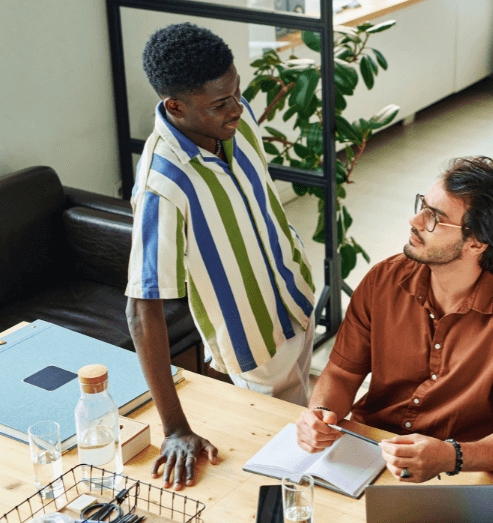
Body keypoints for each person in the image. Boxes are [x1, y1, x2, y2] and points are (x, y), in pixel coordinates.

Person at [125, 23, 316, 490]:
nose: (237, 108)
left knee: (314, 421)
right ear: (176, 107)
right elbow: (141, 309)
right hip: (255, 343)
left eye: (236, 92)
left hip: (297, 295)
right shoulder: (162, 187)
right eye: (220, 103)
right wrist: (174, 427)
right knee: (295, 469)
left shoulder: (233, 113)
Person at [296, 156, 493, 482]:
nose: (415, 220)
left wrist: (450, 456)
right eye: (423, 206)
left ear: (475, 242)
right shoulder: (383, 280)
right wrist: (320, 413)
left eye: (435, 217)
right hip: (371, 450)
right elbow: (342, 372)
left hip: (460, 468)